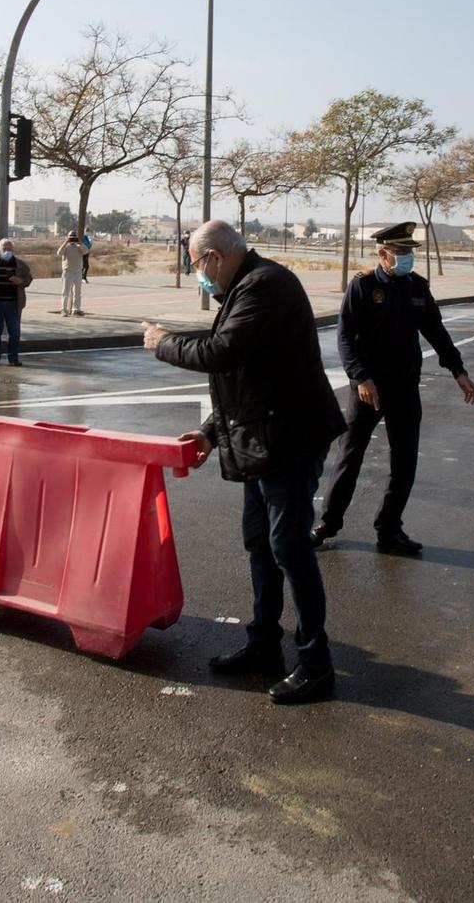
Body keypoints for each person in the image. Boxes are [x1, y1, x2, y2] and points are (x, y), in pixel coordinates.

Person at [143, 220, 346, 705]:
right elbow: (247, 375)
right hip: (263, 436)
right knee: (261, 544)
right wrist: (212, 433)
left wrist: (163, 342)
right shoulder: (245, 288)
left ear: (213, 257)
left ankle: (316, 664)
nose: (199, 275)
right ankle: (263, 644)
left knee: (289, 547)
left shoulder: (266, 285)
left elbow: (221, 352)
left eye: (195, 265)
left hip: (289, 439)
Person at [313, 223, 474, 555]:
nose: (407, 258)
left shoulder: (417, 287)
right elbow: (345, 337)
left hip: (405, 387)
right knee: (350, 456)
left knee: (404, 462)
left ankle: (389, 529)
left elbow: (436, 331)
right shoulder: (363, 286)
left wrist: (458, 370)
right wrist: (360, 377)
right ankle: (327, 524)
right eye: (400, 253)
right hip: (369, 388)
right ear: (382, 253)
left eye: (410, 252)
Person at [0, 238, 33, 365]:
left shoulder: (20, 264)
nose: (7, 251)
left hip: (13, 304)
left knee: (14, 333)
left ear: (13, 250)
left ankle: (13, 358)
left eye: (9, 249)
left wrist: (20, 281)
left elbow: (29, 279)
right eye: (4, 249)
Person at [57, 231, 86, 316]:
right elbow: (59, 253)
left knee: (77, 292)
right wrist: (66, 241)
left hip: (77, 272)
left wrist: (79, 243)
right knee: (65, 291)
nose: (72, 238)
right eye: (71, 236)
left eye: (74, 236)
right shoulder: (66, 246)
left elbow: (86, 251)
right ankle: (63, 309)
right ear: (67, 236)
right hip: (68, 271)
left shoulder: (79, 246)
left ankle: (76, 309)